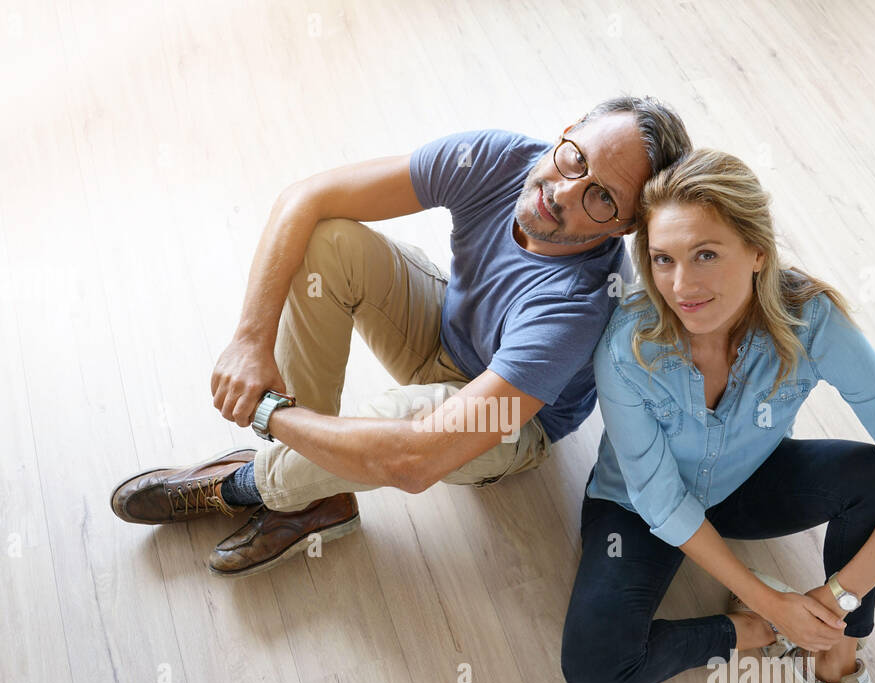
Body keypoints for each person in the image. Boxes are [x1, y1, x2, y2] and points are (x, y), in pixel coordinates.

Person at [110, 97, 693, 576]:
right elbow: (306, 198)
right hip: (444, 328)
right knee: (329, 242)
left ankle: (247, 485)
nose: (563, 191)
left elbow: (415, 462)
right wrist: (248, 340)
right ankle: (320, 495)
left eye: (602, 197)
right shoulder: (496, 158)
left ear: (627, 225)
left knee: (403, 433)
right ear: (567, 131)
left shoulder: (577, 306)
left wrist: (267, 413)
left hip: (507, 423)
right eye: (574, 158)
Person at [561, 148, 875, 683]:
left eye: (707, 255)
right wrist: (774, 608)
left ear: (758, 253)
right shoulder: (625, 347)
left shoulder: (812, 320)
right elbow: (662, 499)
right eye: (663, 260)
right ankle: (757, 631)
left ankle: (834, 658)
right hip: (638, 507)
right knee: (595, 668)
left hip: (747, 482)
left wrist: (832, 607)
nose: (682, 287)